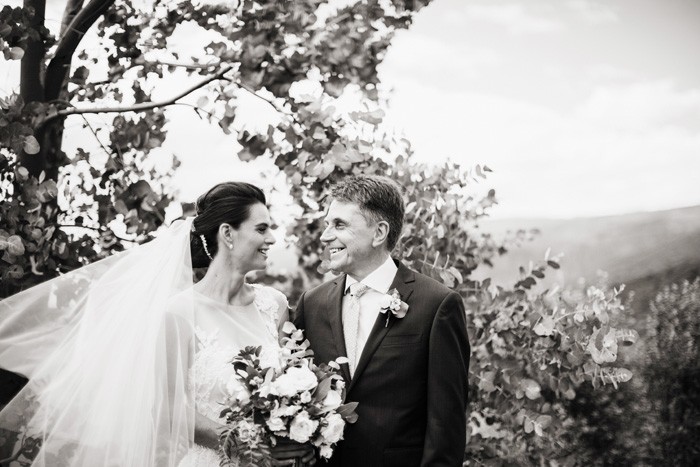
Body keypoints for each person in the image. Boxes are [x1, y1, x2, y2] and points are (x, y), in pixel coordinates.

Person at [0, 182, 312, 466]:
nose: (272, 238)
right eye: (261, 229)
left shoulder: (274, 305)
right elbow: (168, 411)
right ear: (228, 234)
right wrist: (250, 444)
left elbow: (292, 386)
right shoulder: (178, 314)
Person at [294, 175, 470, 467]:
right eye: (327, 224)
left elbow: (446, 426)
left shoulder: (437, 305)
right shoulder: (311, 303)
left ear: (379, 233)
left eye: (339, 225)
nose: (325, 236)